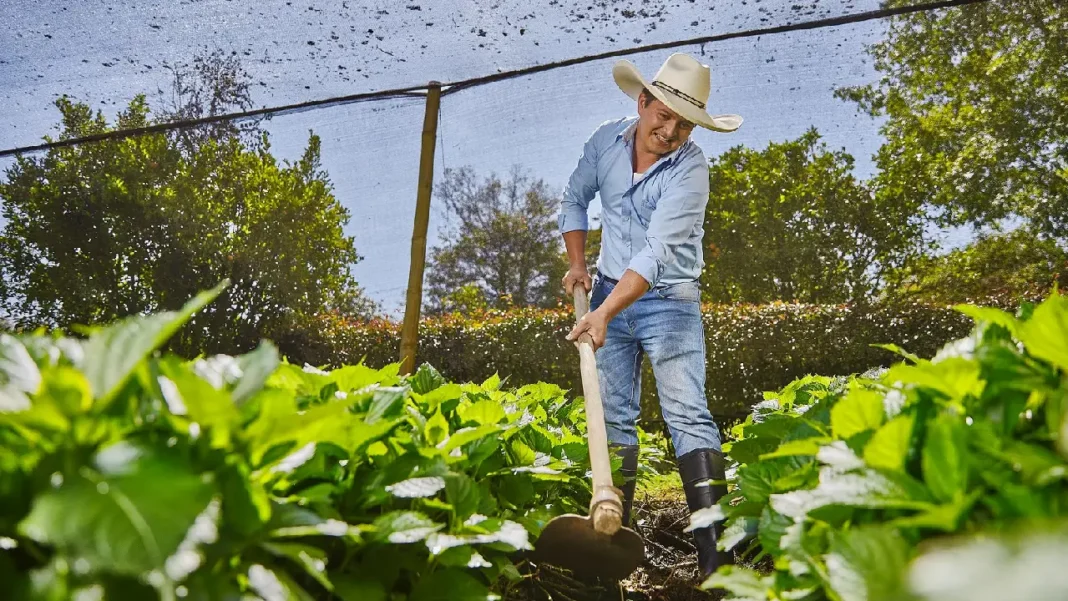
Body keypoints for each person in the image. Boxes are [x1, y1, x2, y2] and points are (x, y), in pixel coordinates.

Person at [559, 52, 742, 578]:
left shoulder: (692, 168)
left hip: (670, 298)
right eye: (663, 115)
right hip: (609, 287)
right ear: (642, 101)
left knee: (687, 415)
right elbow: (575, 199)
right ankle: (615, 549)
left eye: (684, 123)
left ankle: (714, 564)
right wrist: (578, 266)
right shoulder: (605, 142)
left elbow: (659, 251)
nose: (671, 131)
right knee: (612, 418)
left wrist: (604, 313)